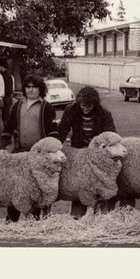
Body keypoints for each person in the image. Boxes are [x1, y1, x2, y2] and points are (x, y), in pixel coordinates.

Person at [0, 74, 59, 222]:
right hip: (19, 152)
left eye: (34, 87)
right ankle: (11, 219)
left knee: (37, 188)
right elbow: (9, 126)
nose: (31, 90)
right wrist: (2, 146)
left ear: (41, 89)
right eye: (28, 87)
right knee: (14, 186)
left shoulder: (47, 108)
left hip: (39, 156)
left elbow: (52, 134)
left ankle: (35, 220)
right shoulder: (17, 105)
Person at [58, 85, 117, 219]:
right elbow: (62, 130)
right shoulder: (71, 109)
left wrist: (103, 148)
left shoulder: (104, 113)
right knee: (80, 185)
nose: (84, 108)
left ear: (94, 104)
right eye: (82, 105)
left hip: (97, 155)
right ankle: (76, 216)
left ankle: (101, 216)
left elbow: (111, 134)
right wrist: (56, 146)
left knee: (99, 185)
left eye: (88, 106)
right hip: (78, 154)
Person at [0, 58, 14, 127]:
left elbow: (8, 89)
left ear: (2, 66)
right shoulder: (7, 74)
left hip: (5, 98)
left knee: (5, 118)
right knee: (5, 117)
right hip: (7, 98)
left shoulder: (5, 75)